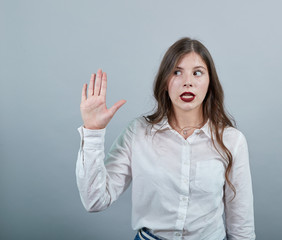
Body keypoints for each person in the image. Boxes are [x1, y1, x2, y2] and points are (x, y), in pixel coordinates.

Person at [76, 37, 255, 240]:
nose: (187, 81)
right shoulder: (138, 132)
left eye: (197, 73)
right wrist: (92, 131)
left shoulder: (232, 141)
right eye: (177, 72)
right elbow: (95, 200)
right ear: (165, 81)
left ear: (210, 82)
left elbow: (241, 227)